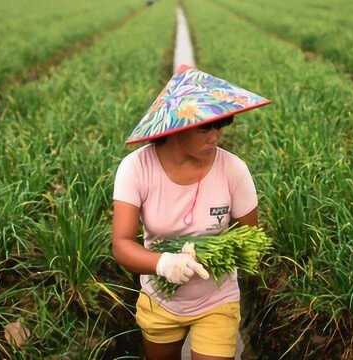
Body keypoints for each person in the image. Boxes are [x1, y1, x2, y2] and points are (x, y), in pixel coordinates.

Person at [112, 65, 270, 360]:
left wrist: (206, 253)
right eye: (205, 127)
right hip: (160, 300)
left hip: (217, 299)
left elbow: (250, 240)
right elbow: (121, 244)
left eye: (220, 126)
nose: (215, 136)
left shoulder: (233, 170)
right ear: (176, 127)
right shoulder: (136, 169)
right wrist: (164, 264)